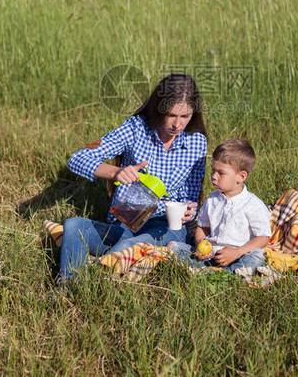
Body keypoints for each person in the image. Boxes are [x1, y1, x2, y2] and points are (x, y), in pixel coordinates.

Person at [57, 73, 208, 285]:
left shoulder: (197, 143)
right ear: (158, 108)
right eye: (171, 115)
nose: (177, 124)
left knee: (134, 243)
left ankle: (95, 279)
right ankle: (69, 285)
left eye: (185, 116)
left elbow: (191, 197)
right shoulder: (136, 128)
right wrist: (115, 172)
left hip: (164, 227)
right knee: (74, 225)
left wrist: (189, 212)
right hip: (125, 220)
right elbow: (77, 159)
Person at [168, 139, 271, 274]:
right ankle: (220, 272)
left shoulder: (253, 204)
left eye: (221, 173)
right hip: (212, 254)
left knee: (257, 256)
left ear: (241, 177)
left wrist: (237, 252)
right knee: (173, 247)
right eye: (213, 171)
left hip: (238, 255)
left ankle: (220, 273)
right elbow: (203, 228)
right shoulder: (212, 200)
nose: (214, 177)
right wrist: (201, 246)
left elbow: (263, 238)